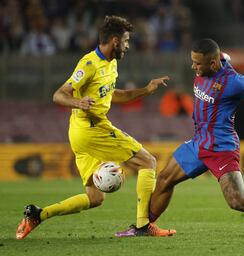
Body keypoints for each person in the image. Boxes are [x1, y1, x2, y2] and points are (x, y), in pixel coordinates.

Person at [116, 38, 244, 237]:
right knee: (164, 179)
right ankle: (145, 227)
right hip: (198, 143)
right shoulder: (214, 61)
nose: (193, 67)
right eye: (193, 61)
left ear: (212, 63)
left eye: (197, 63)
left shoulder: (235, 82)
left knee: (238, 201)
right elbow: (223, 56)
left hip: (221, 147)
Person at [15, 15, 176, 240]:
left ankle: (37, 215)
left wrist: (146, 90)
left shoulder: (112, 63)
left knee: (95, 198)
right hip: (91, 129)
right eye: (126, 41)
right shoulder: (89, 64)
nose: (128, 46)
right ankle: (142, 225)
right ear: (115, 41)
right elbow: (58, 95)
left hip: (81, 132)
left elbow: (115, 95)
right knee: (147, 161)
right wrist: (78, 102)